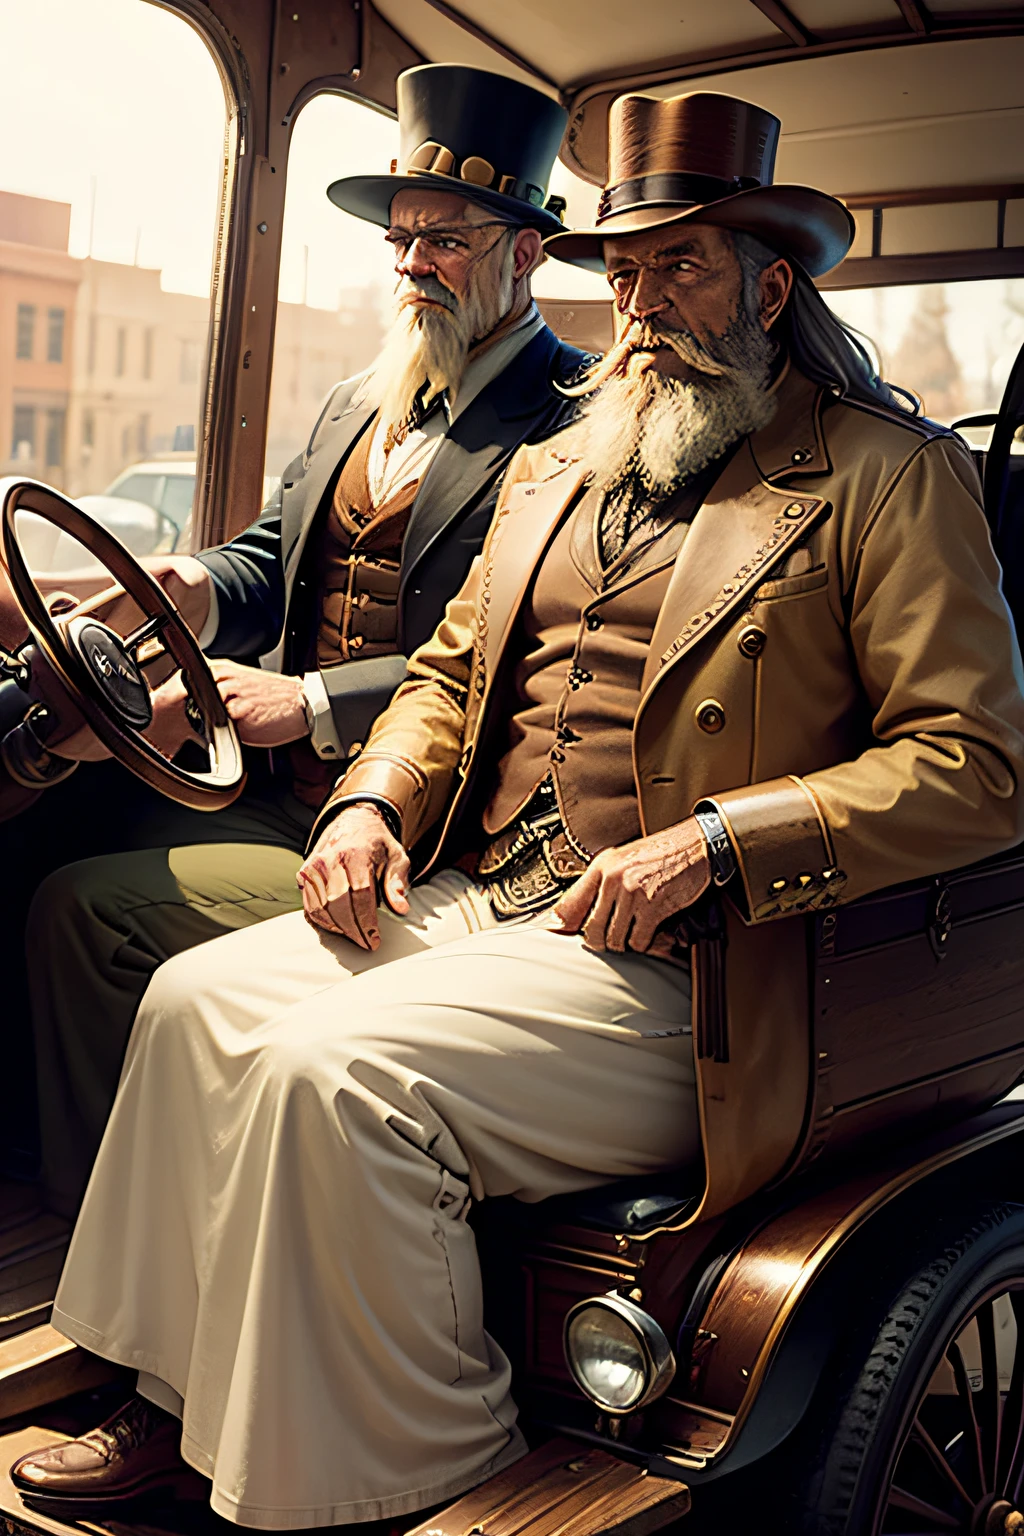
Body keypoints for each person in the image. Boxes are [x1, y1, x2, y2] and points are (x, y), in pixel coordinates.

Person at [14, 87, 1024, 1528]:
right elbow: (440, 678)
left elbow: (979, 765)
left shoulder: (885, 478)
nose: (640, 302)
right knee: (190, 1009)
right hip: (485, 896)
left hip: (709, 968)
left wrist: (718, 841)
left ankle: (425, 1476)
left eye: (679, 264)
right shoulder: (561, 465)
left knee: (334, 1081)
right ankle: (175, 1406)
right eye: (620, 270)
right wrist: (369, 801)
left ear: (770, 281)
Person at [0, 62, 587, 1207]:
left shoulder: (572, 421)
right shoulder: (358, 401)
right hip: (259, 778)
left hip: (414, 820)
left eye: (447, 240)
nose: (413, 263)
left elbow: (518, 658)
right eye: (403, 238)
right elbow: (268, 564)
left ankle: (107, 1231)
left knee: (82, 913)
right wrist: (183, 589)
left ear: (524, 254)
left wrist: (308, 704)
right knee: (34, 820)